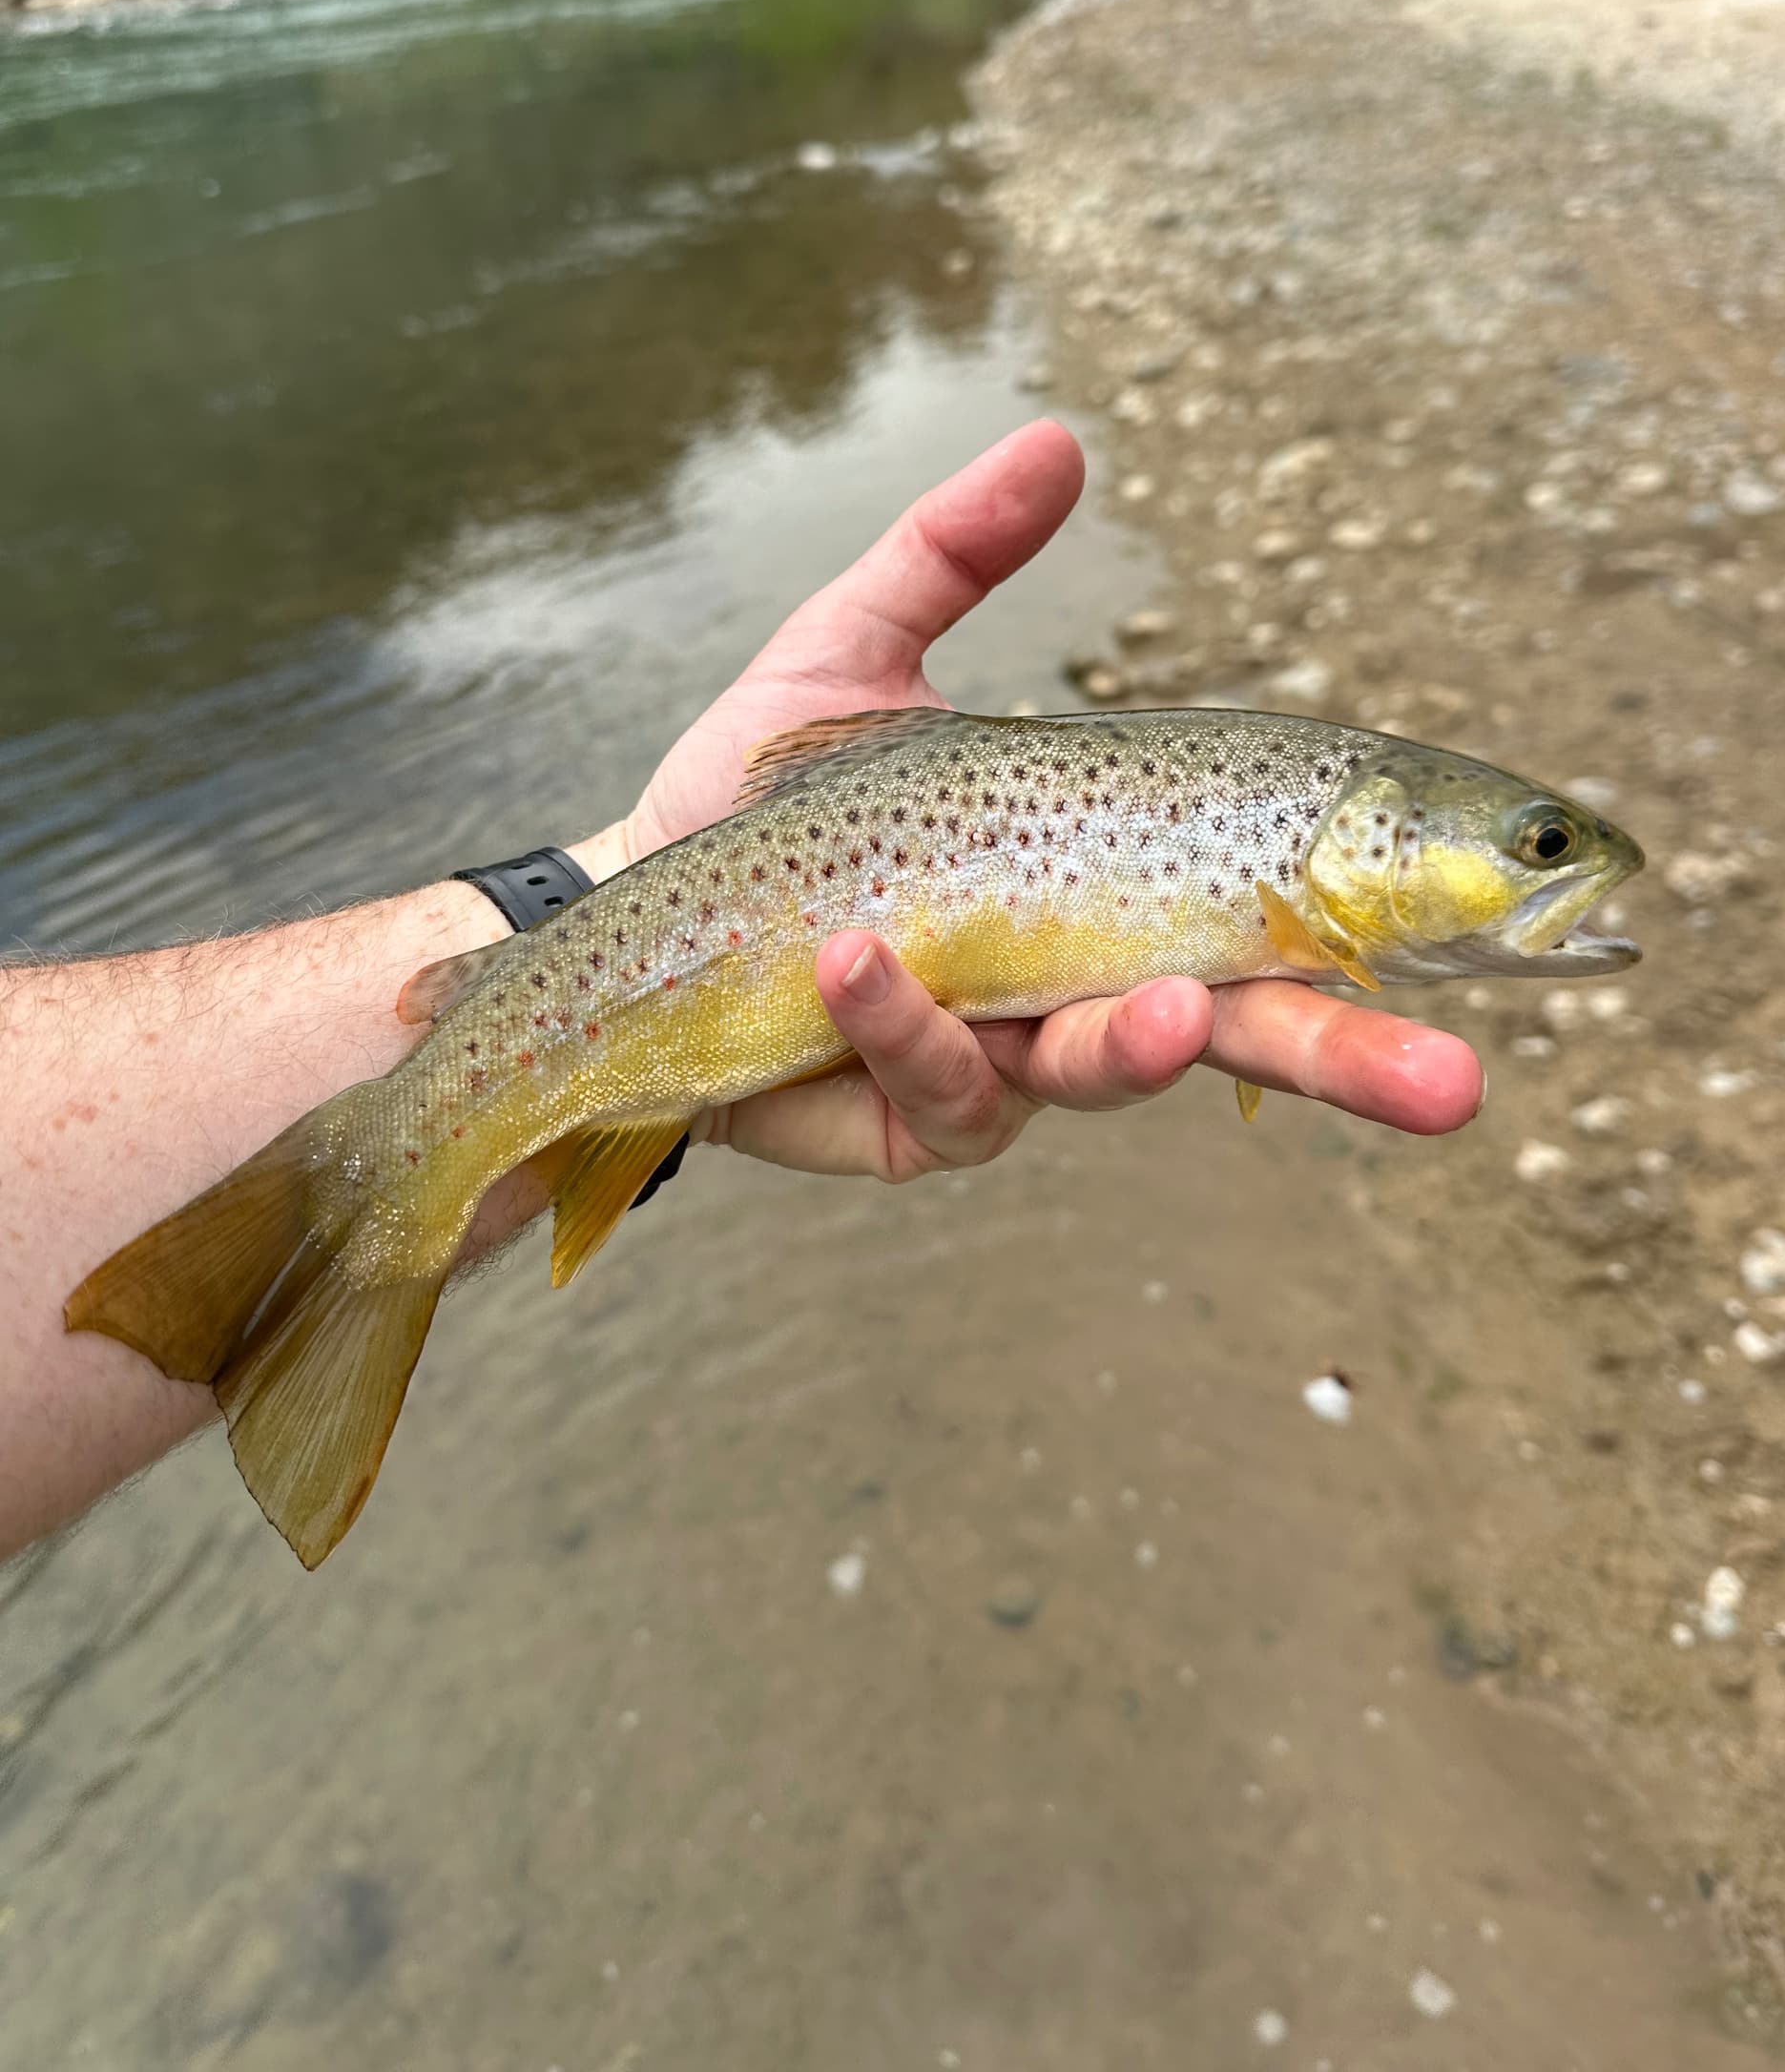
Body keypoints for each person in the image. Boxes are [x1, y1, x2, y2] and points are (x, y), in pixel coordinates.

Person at [0, 421, 1482, 1563]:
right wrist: (615, 892)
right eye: (1537, 849)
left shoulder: (1292, 870)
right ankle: (374, 1194)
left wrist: (609, 908)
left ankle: (365, 1210)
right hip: (666, 954)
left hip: (674, 956)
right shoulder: (1293, 877)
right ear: (1362, 840)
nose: (1552, 878)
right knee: (408, 1173)